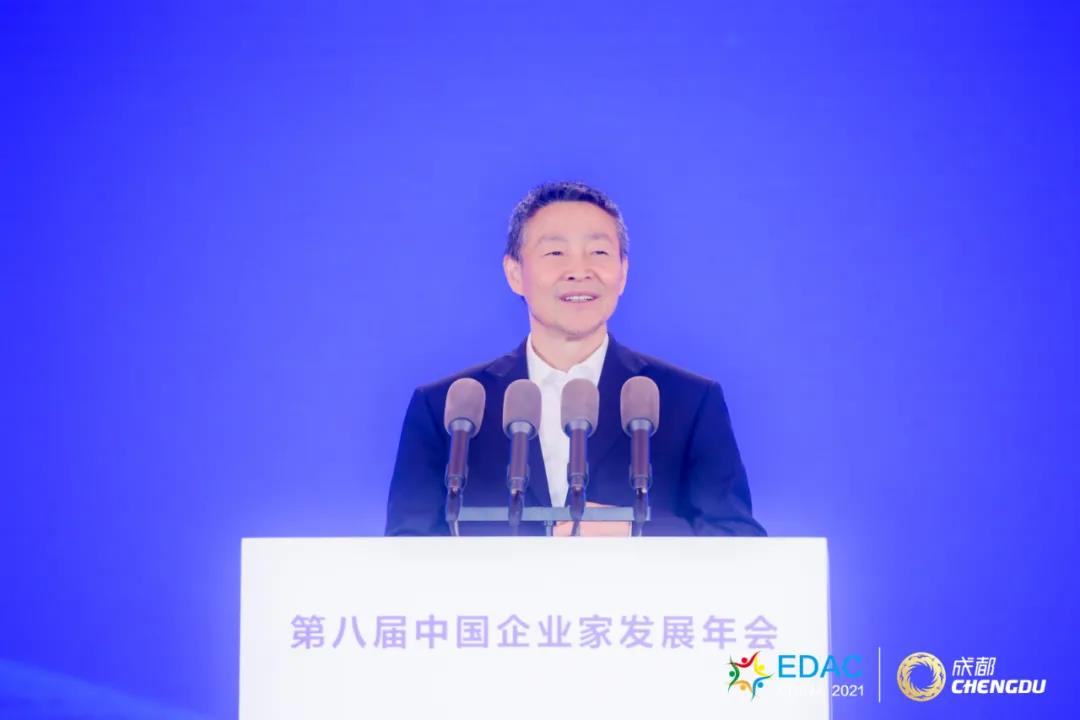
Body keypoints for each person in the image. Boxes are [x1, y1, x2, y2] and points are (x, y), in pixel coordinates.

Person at [385, 181, 766, 537]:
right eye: (555, 253)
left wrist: (632, 534)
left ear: (623, 273)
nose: (579, 271)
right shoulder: (450, 408)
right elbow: (405, 548)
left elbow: (737, 537)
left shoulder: (687, 401)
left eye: (598, 253)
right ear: (514, 273)